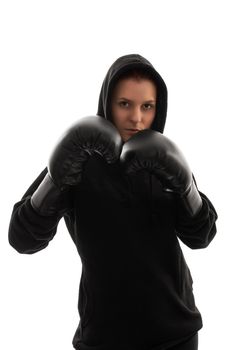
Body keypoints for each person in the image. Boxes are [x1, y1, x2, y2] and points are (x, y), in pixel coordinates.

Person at [8, 54, 218, 350]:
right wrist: (54, 181)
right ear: (107, 104)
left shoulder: (165, 159)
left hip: (177, 334)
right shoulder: (78, 159)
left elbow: (202, 236)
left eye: (147, 106)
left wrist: (186, 189)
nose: (136, 118)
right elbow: (22, 239)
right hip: (103, 338)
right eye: (125, 104)